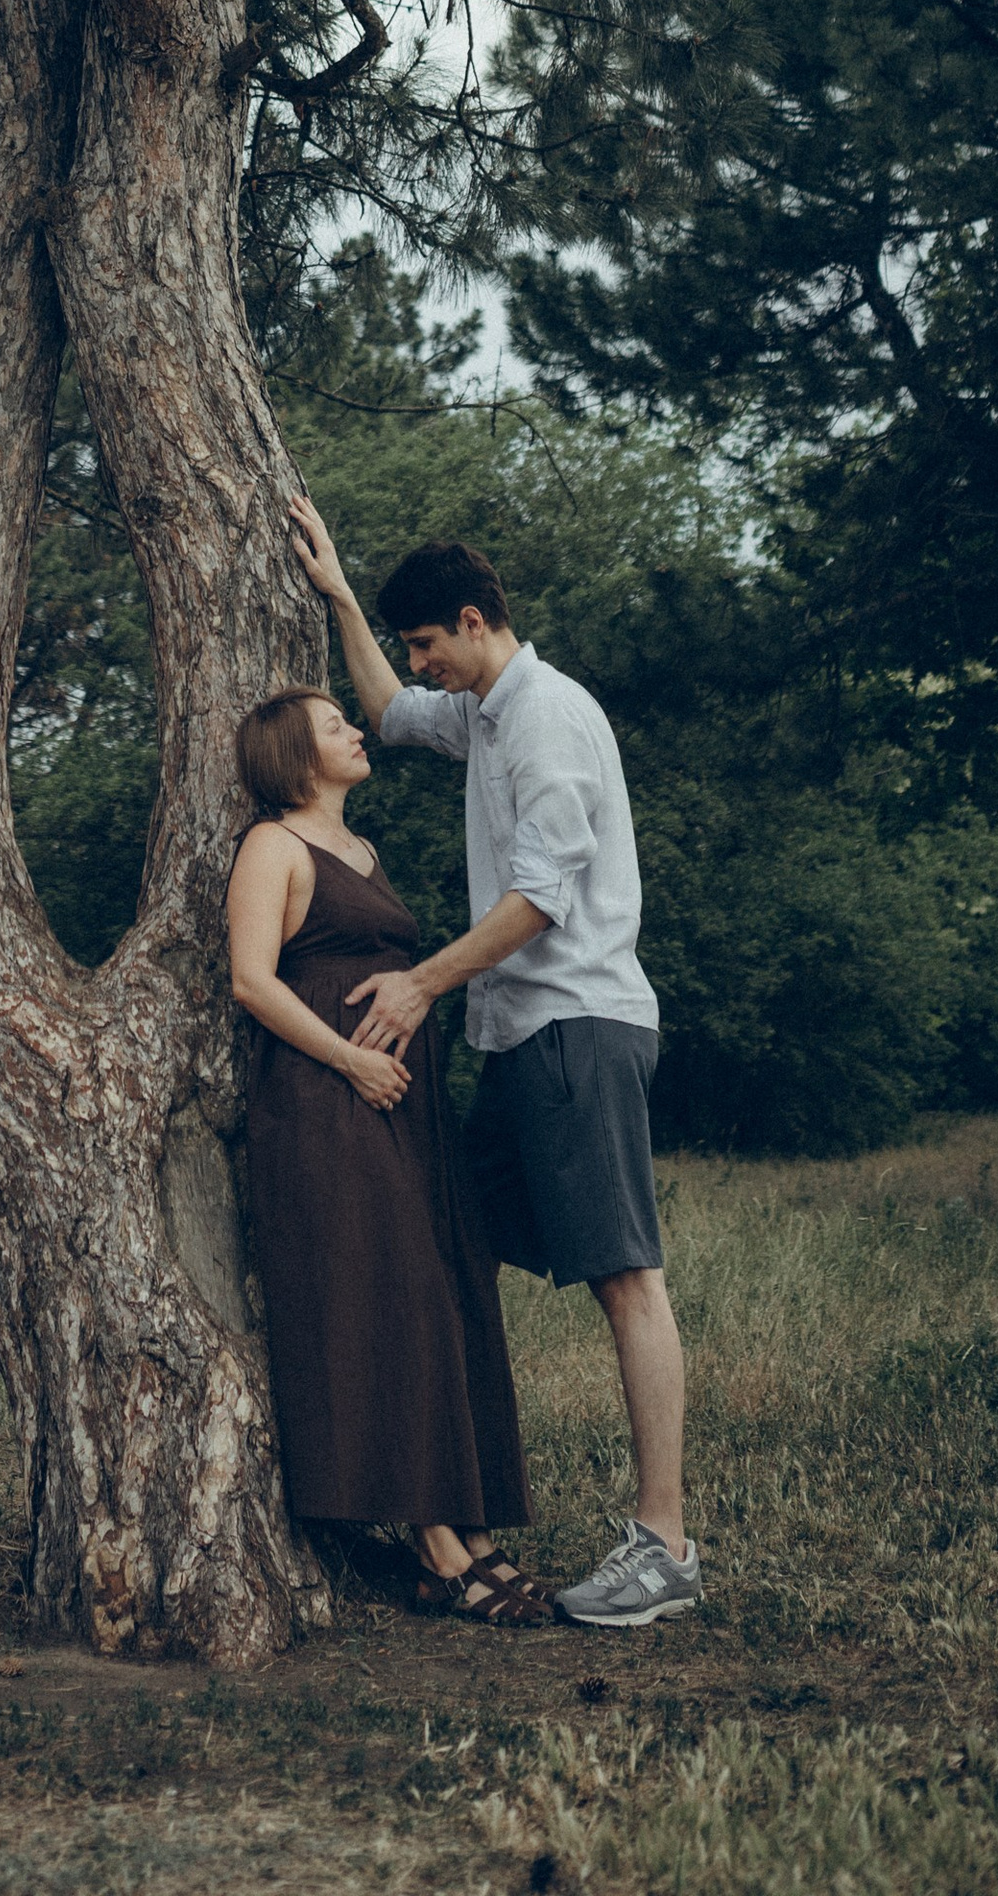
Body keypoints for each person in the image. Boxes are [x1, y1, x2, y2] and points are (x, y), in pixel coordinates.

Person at [286, 499, 702, 1633]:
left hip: (576, 1028)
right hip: (519, 1041)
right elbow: (387, 710)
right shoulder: (485, 710)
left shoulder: (548, 721)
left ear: (472, 624)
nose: (420, 667)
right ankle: (442, 1504)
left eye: (428, 644)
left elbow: (539, 899)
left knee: (626, 1276)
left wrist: (422, 983)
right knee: (446, 1240)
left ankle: (662, 1542)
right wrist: (336, 597)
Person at [226, 684, 542, 1625]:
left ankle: (472, 1527)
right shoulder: (271, 847)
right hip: (326, 1103)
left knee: (443, 1288)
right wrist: (351, 1062)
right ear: (294, 757)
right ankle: (436, 1546)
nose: (357, 733)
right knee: (389, 1295)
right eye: (336, 727)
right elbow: (250, 981)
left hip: (405, 1108)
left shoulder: (360, 852)